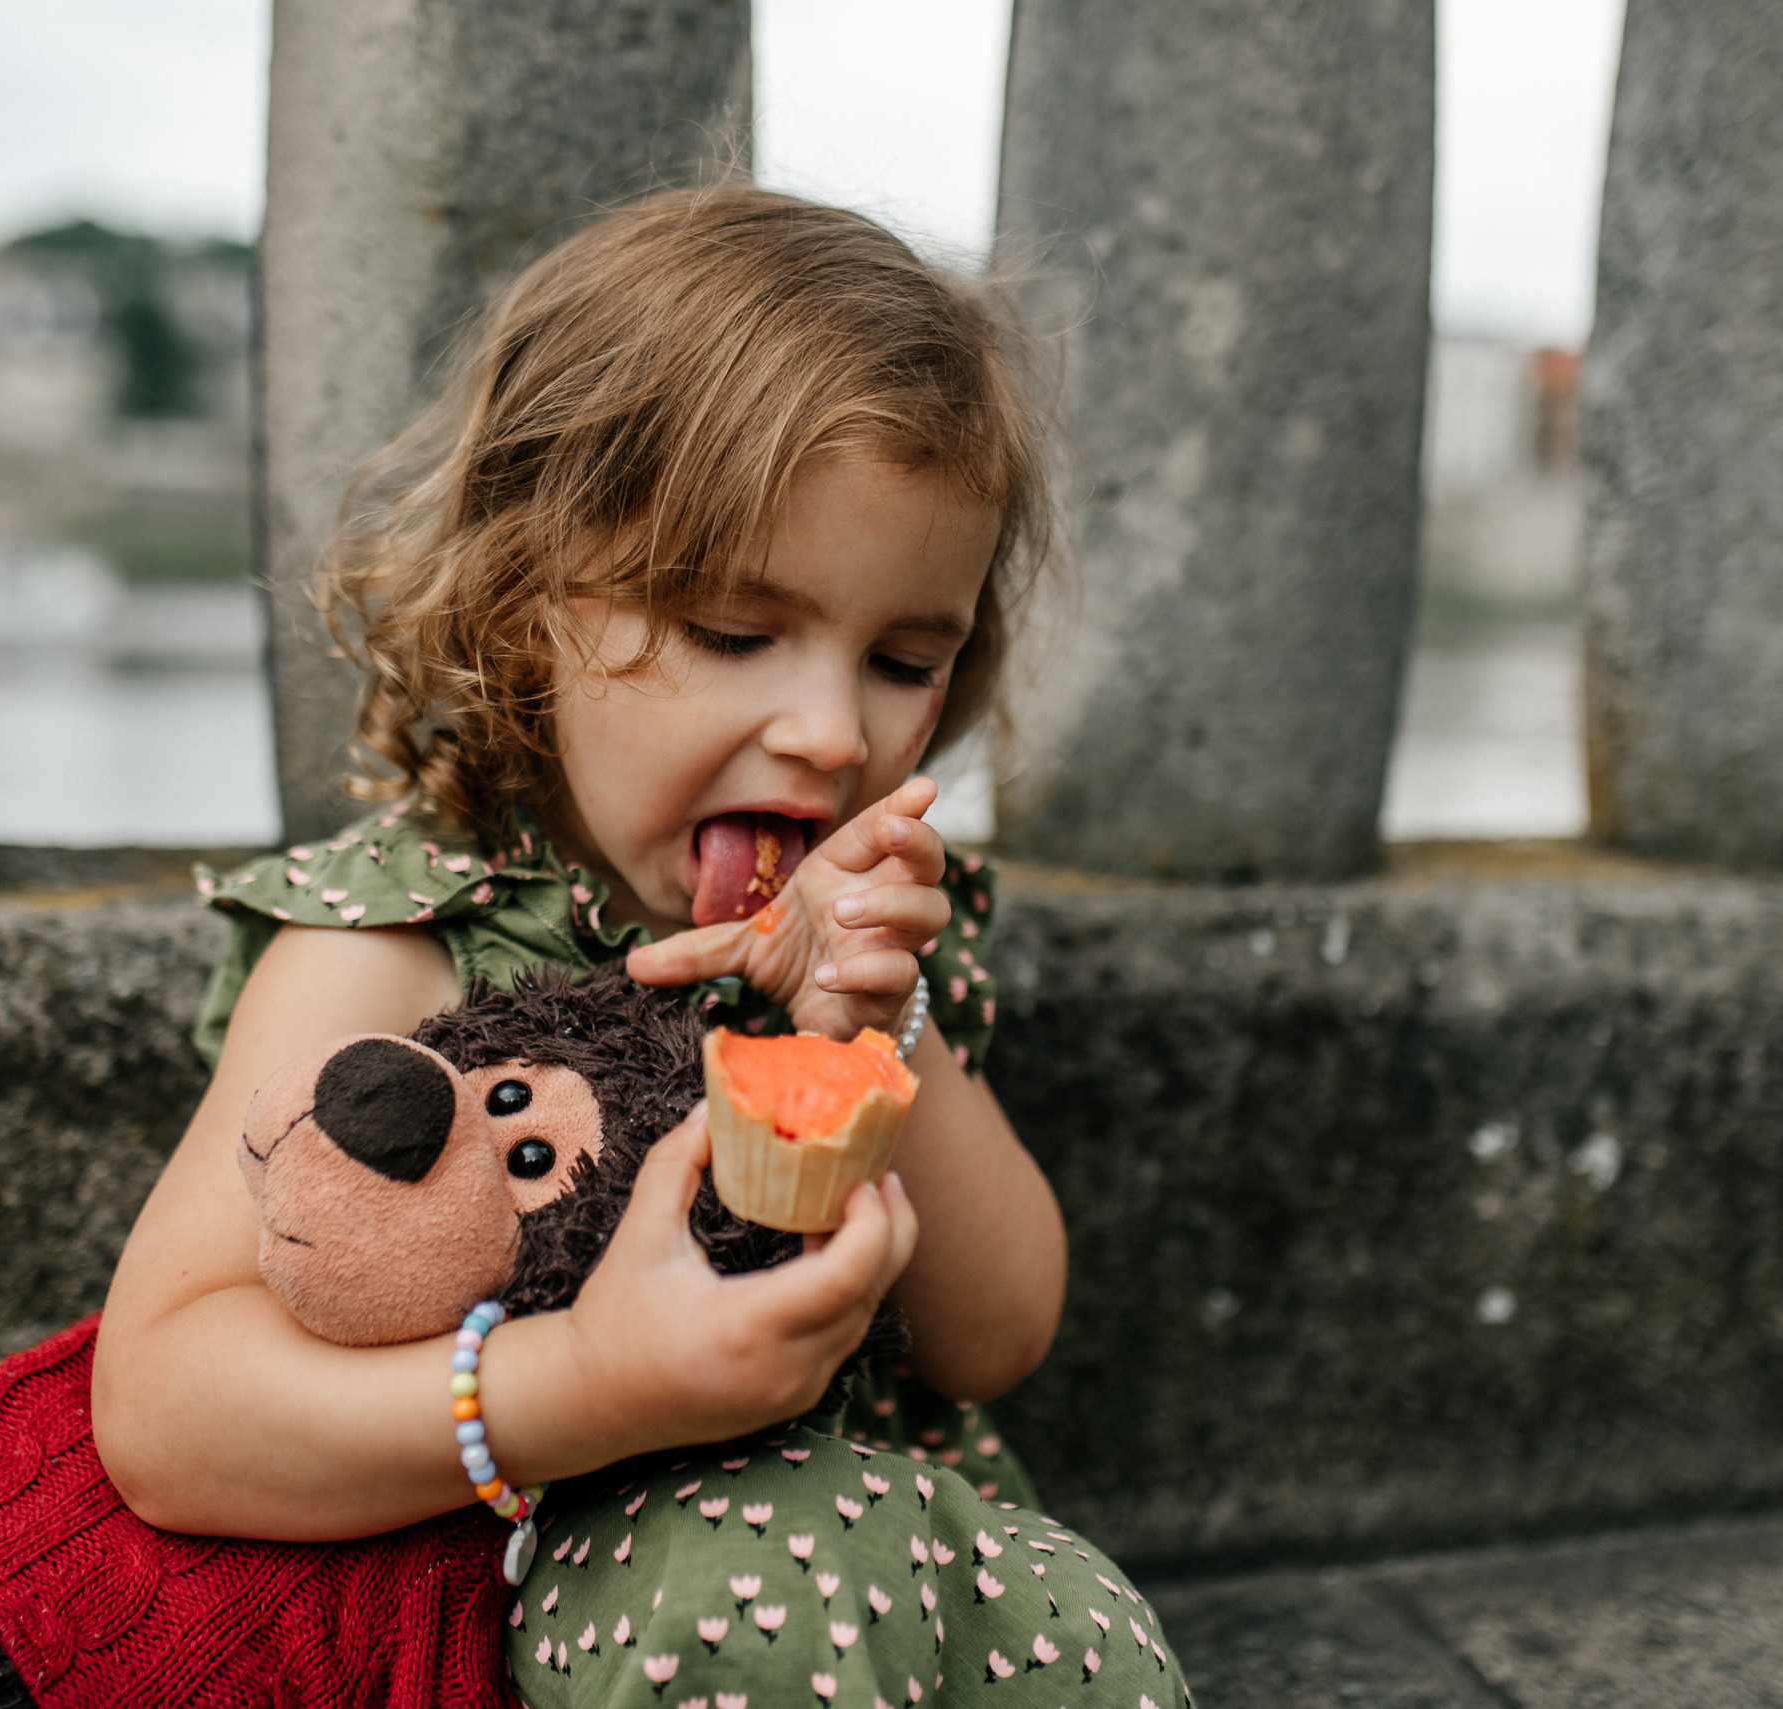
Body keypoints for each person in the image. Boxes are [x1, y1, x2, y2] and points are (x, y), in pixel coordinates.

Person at [92, 185, 1192, 1708]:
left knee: (1093, 1652)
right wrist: (582, 1386)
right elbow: (162, 1411)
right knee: (763, 1577)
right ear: (530, 603)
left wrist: (886, 1027)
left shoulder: (889, 933)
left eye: (902, 660)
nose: (827, 731)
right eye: (736, 634)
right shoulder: (411, 939)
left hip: (916, 1557)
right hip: (588, 1583)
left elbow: (993, 1335)